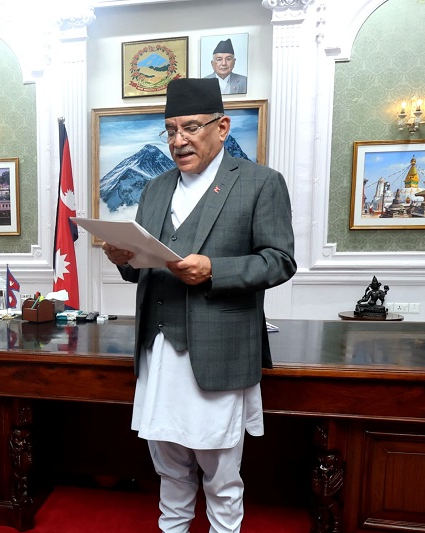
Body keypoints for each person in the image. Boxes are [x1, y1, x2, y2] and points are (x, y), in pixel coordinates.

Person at [102, 77, 296, 533]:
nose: (178, 140)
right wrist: (123, 259)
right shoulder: (154, 189)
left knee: (221, 479)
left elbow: (280, 261)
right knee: (168, 470)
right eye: (170, 130)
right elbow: (142, 269)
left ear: (222, 126)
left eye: (190, 127)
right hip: (159, 354)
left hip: (219, 353)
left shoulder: (260, 184)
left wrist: (214, 270)